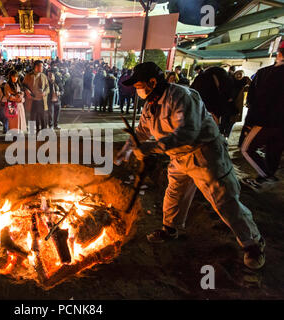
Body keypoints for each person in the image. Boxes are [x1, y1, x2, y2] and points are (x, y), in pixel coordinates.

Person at [118, 61, 265, 270]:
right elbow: (142, 130)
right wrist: (129, 147)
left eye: (139, 84)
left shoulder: (182, 96)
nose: (137, 89)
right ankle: (170, 228)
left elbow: (188, 133)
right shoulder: (150, 104)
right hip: (178, 158)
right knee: (174, 193)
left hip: (204, 155)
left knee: (223, 200)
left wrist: (153, 147)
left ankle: (252, 243)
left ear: (152, 82)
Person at [240, 42, 284, 190]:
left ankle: (266, 175)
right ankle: (267, 176)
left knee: (247, 149)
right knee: (274, 150)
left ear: (279, 53)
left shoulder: (268, 73)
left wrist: (250, 121)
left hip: (267, 121)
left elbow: (259, 100)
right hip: (280, 123)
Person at [23, 60, 50, 132]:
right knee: (32, 117)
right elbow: (23, 86)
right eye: (41, 66)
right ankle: (33, 132)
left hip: (41, 100)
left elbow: (47, 87)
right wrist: (27, 91)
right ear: (36, 67)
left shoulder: (43, 76)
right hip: (32, 100)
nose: (42, 68)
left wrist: (44, 93)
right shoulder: (28, 76)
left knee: (43, 117)